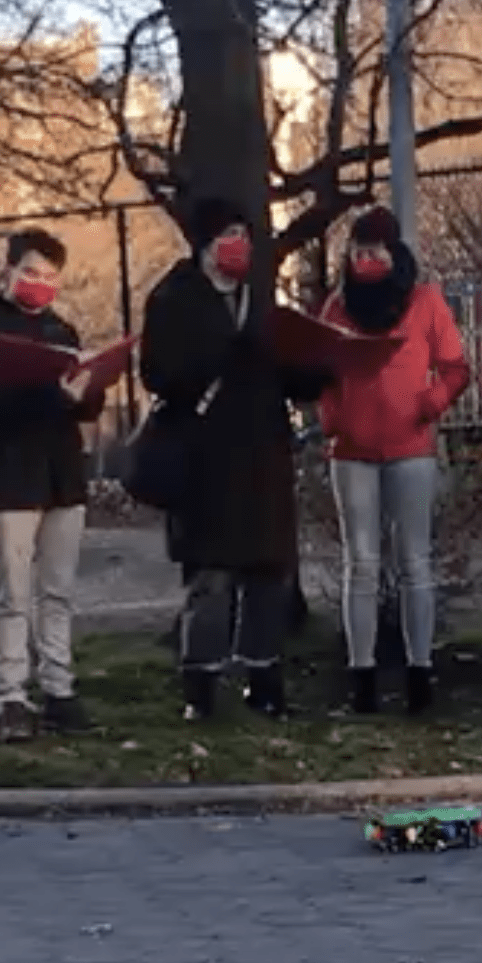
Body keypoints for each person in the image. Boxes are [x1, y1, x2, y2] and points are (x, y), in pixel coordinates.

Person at [140, 199, 327, 721]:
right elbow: (157, 373)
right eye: (228, 235)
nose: (239, 246)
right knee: (212, 579)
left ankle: (263, 681)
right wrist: (220, 355)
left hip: (262, 455)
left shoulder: (259, 300)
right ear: (204, 244)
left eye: (245, 235)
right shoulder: (174, 299)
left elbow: (279, 369)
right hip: (205, 461)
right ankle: (199, 688)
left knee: (267, 575)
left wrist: (314, 370)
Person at [316, 205, 471, 715]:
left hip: (411, 447)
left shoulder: (424, 302)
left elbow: (454, 367)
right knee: (361, 563)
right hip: (353, 451)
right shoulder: (338, 307)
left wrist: (427, 406)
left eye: (375, 250)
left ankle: (419, 671)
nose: (367, 259)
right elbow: (320, 370)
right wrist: (333, 419)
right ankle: (361, 677)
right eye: (358, 251)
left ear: (393, 252)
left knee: (414, 562)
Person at [0, 228, 107, 743]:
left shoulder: (62, 328)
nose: (39, 284)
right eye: (30, 272)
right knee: (13, 594)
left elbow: (81, 403)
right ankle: (11, 696)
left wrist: (88, 392)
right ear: (9, 271)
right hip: (11, 472)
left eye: (49, 276)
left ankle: (59, 688)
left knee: (58, 591)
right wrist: (54, 396)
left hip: (62, 471)